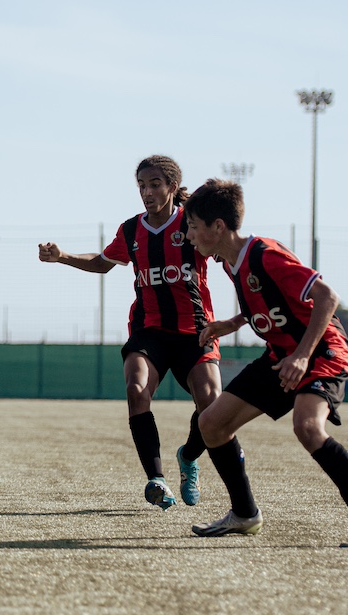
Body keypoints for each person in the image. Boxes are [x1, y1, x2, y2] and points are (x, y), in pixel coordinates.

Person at [183, 178, 348, 548]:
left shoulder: (265, 253)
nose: (189, 235)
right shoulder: (229, 263)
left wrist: (302, 355)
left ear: (217, 226)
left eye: (192, 225)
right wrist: (234, 322)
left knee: (307, 426)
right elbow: (267, 300)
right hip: (280, 356)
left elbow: (326, 297)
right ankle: (244, 514)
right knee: (211, 424)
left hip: (321, 352)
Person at [38, 155, 221, 510]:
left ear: (171, 186)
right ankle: (157, 480)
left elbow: (227, 255)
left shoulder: (193, 225)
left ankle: (188, 456)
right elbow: (103, 263)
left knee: (211, 405)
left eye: (154, 185)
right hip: (148, 330)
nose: (147, 192)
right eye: (141, 185)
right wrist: (62, 256)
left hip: (194, 331)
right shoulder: (131, 230)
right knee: (137, 390)